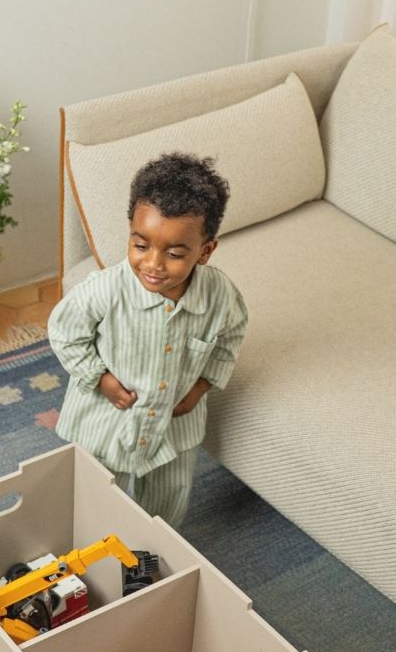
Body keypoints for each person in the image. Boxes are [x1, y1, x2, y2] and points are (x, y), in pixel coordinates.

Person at [48, 152, 248, 528]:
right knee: (93, 498)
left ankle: (149, 562)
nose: (153, 264)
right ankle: (91, 555)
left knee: (167, 503)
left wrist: (201, 387)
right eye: (141, 246)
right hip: (106, 426)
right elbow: (64, 332)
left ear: (205, 251)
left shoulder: (220, 295)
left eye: (173, 254)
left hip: (173, 430)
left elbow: (230, 336)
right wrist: (100, 378)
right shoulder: (105, 290)